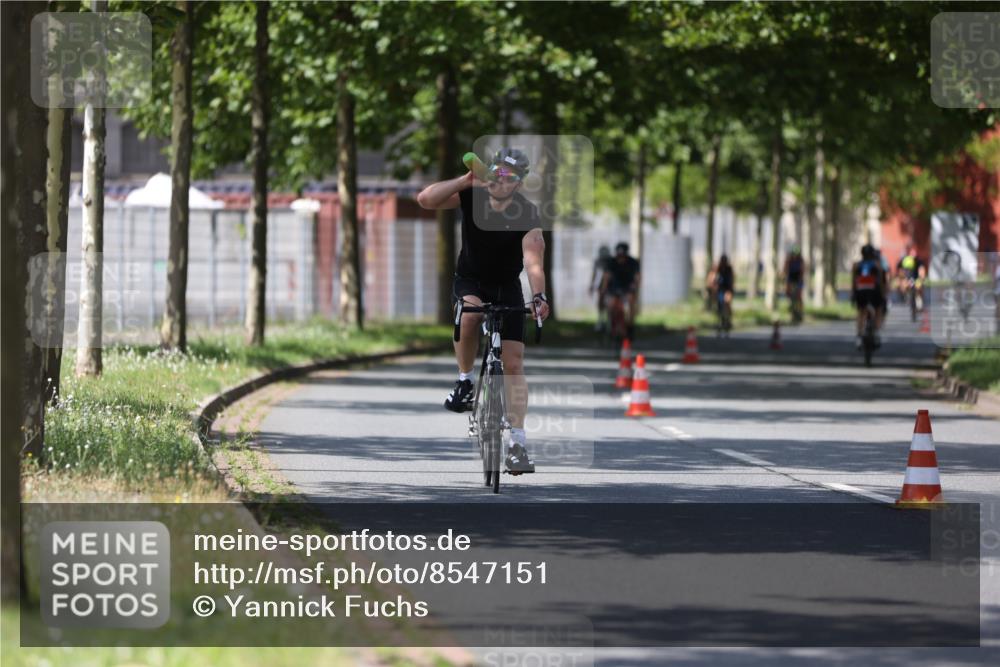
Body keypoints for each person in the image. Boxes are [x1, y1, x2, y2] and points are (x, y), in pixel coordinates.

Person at [417, 147, 549, 473]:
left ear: (518, 183)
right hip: (471, 281)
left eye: (509, 176)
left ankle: (517, 444)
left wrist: (540, 295)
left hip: (506, 286)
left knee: (514, 364)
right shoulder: (471, 196)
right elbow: (426, 199)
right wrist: (464, 180)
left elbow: (533, 260)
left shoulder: (527, 213)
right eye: (496, 171)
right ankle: (464, 381)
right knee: (471, 313)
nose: (500, 179)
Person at [599, 242, 641, 338]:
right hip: (613, 288)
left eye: (622, 256)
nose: (620, 258)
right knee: (611, 305)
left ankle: (630, 327)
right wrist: (603, 290)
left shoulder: (633, 263)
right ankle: (610, 325)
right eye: (619, 256)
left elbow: (637, 278)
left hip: (627, 288)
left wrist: (635, 290)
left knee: (630, 303)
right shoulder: (611, 263)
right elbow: (606, 278)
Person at [851, 244, 887, 349]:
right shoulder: (877, 264)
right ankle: (876, 331)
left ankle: (859, 335)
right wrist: (883, 294)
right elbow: (880, 281)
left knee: (861, 311)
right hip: (874, 291)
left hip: (860, 291)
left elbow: (854, 281)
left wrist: (853, 294)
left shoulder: (856, 265)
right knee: (878, 309)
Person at [707, 255, 735, 333]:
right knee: (719, 305)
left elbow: (732, 279)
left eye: (724, 261)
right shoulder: (717, 269)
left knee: (727, 304)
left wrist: (731, 289)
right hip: (720, 290)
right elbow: (712, 279)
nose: (723, 263)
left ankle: (728, 320)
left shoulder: (729, 269)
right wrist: (712, 288)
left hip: (727, 289)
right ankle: (720, 320)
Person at [589, 245, 612, 332]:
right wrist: (592, 285)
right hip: (601, 284)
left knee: (610, 303)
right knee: (600, 302)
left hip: (611, 285)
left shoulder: (611, 261)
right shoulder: (598, 261)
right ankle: (600, 319)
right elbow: (595, 274)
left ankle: (609, 321)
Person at [895, 244, 926, 308]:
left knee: (919, 287)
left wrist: (921, 279)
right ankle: (906, 296)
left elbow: (922, 271)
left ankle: (919, 299)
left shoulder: (919, 261)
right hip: (907, 279)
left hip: (916, 279)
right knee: (903, 285)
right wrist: (901, 279)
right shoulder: (904, 260)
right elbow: (899, 271)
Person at [782, 245, 806, 321]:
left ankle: (800, 314)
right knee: (791, 298)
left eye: (796, 255)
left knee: (798, 298)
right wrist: (785, 283)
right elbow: (785, 271)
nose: (795, 256)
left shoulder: (800, 261)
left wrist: (800, 285)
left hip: (798, 282)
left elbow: (802, 272)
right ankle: (792, 314)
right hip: (790, 281)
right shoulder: (789, 260)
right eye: (793, 254)